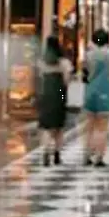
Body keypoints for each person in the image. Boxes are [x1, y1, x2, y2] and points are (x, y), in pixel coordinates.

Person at [83, 29, 109, 167]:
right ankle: (99, 157)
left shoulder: (88, 55)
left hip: (90, 92)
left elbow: (86, 72)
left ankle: (86, 156)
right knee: (102, 128)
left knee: (89, 126)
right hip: (105, 92)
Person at [37, 36, 72, 166]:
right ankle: (57, 154)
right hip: (59, 97)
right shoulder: (64, 62)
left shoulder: (41, 61)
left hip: (45, 97)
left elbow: (39, 78)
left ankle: (46, 153)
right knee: (58, 127)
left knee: (46, 127)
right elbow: (66, 80)